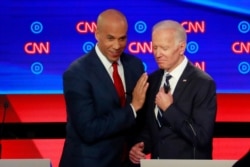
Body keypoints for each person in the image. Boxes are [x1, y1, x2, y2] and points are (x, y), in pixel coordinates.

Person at [59, 9, 149, 167]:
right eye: (110, 38)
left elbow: (141, 118)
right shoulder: (77, 73)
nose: (117, 45)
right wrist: (132, 107)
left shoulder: (135, 66)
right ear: (97, 34)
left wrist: (139, 144)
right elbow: (88, 130)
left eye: (122, 38)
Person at [129, 20, 217, 165]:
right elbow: (155, 129)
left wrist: (169, 109)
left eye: (164, 48)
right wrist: (141, 146)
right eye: (155, 47)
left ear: (181, 47)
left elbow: (201, 137)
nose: (157, 54)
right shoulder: (153, 80)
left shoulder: (203, 83)